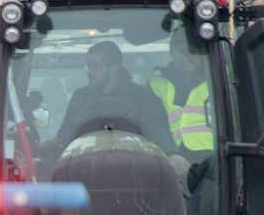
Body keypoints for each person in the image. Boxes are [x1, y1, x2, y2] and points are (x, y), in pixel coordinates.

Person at [46, 41, 178, 157]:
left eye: (94, 66)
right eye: (87, 66)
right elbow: (67, 132)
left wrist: (171, 154)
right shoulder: (81, 96)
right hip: (86, 165)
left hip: (136, 166)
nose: (89, 71)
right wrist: (54, 145)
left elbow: (155, 128)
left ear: (114, 67)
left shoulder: (142, 95)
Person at [150, 32, 213, 154]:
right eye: (180, 51)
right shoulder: (156, 84)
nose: (185, 57)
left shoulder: (216, 79)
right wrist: (171, 153)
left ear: (200, 54)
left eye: (191, 51)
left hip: (212, 156)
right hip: (170, 155)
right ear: (171, 53)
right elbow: (154, 123)